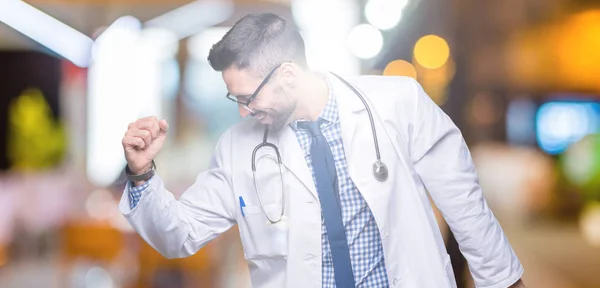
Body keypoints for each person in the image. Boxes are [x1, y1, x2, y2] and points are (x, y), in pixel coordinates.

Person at [119, 13, 527, 288]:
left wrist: (505, 281)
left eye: (248, 96)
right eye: (234, 98)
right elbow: (181, 234)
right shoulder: (236, 148)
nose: (243, 110)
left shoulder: (399, 102)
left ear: (289, 74)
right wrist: (141, 174)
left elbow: (464, 203)